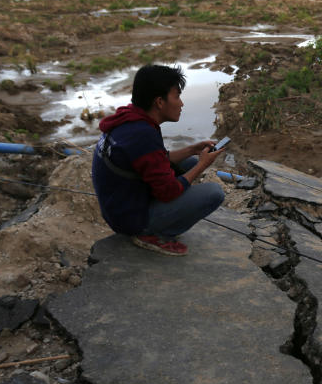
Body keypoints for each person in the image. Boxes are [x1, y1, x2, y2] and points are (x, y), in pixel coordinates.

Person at [91, 64, 225, 256]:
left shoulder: (132, 119)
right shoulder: (142, 134)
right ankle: (153, 234)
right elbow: (169, 192)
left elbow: (155, 160)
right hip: (131, 219)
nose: (181, 104)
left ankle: (155, 223)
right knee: (214, 192)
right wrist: (204, 164)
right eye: (177, 97)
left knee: (189, 163)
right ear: (159, 102)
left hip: (121, 205)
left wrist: (192, 150)